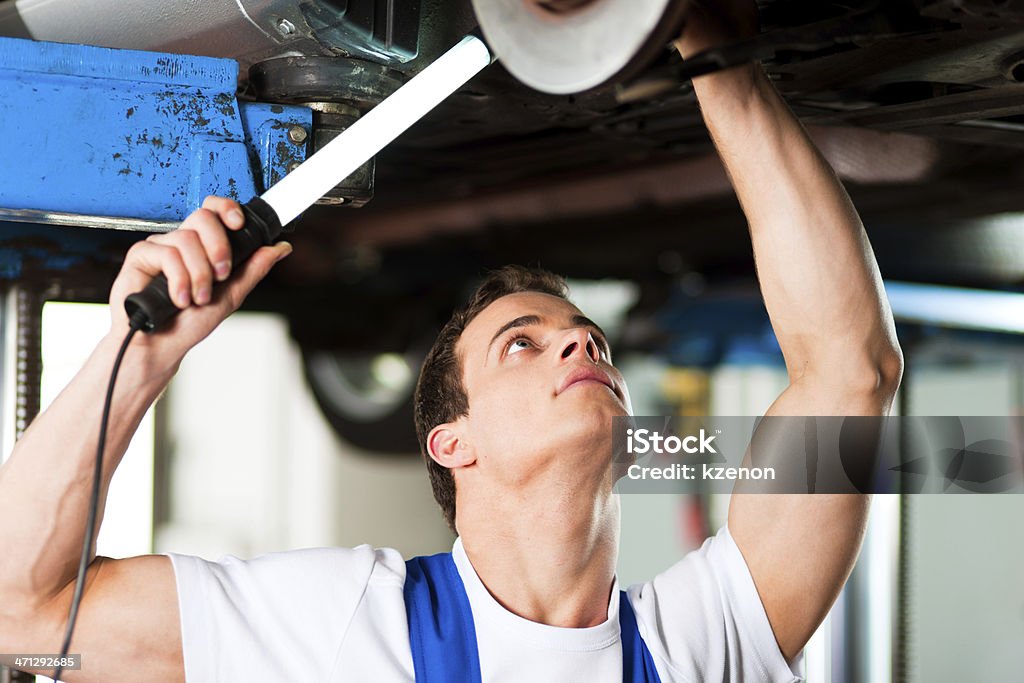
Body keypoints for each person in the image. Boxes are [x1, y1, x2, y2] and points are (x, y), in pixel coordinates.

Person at [0, 2, 902, 681]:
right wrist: (140, 353)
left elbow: (850, 370)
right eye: (523, 341)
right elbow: (24, 610)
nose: (581, 342)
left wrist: (708, 44)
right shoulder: (351, 622)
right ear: (450, 442)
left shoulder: (698, 644)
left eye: (585, 334)